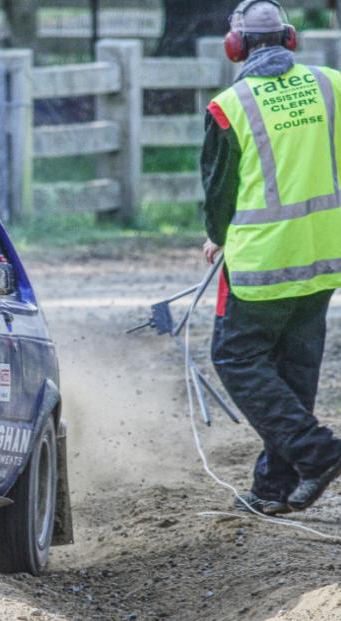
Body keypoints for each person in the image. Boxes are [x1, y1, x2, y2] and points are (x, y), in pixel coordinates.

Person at [202, 0, 341, 515]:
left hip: (263, 262)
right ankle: (273, 489)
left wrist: (216, 235)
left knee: (236, 358)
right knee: (295, 367)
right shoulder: (332, 85)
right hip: (325, 253)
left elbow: (219, 190)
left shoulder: (230, 105)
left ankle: (318, 452)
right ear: (289, 38)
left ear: (236, 46)